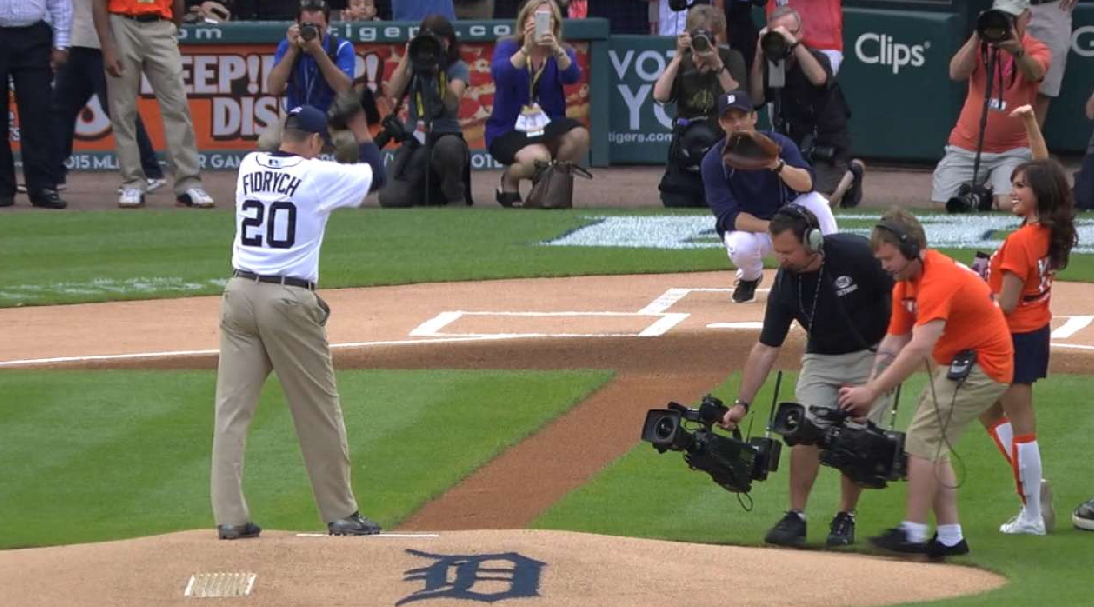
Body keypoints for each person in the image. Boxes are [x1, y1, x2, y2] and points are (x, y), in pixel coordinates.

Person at [211, 104, 386, 540]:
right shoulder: (317, 174)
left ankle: (230, 517)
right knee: (318, 410)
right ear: (313, 142)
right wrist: (363, 130)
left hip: (238, 295)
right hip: (288, 301)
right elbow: (378, 175)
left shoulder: (249, 165)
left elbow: (272, 150)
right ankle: (342, 513)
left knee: (231, 412)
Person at [838, 208, 1014, 559]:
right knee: (931, 443)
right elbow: (894, 340)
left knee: (921, 439)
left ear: (912, 247)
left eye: (889, 258)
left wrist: (871, 392)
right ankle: (950, 536)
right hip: (962, 365)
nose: (884, 266)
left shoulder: (939, 279)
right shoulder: (905, 284)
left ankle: (913, 531)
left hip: (985, 367)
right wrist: (869, 387)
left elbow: (920, 347)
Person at [720, 204, 893, 548]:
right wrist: (742, 404)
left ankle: (846, 516)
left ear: (813, 240)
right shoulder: (787, 283)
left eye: (788, 251)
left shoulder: (857, 254)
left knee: (858, 438)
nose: (781, 259)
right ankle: (795, 515)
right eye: (777, 252)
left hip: (873, 354)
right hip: (822, 358)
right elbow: (766, 347)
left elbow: (900, 294)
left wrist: (892, 356)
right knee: (804, 430)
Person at [975, 105, 1076, 536]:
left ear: (1039, 194)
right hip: (1033, 332)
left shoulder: (1020, 243)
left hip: (1011, 335)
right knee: (987, 408)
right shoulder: (1051, 227)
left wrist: (975, 298)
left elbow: (1007, 305)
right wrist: (1031, 123)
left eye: (1021, 186)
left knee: (1020, 423)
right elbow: (1047, 170)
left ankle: (1032, 511)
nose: (1013, 191)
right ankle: (1032, 492)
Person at [700, 89, 837, 304]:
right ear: (721, 123)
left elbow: (808, 183)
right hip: (757, 229)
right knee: (741, 246)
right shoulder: (713, 162)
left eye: (742, 117)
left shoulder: (778, 144)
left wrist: (776, 164)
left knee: (817, 202)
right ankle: (750, 277)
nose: (736, 124)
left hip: (791, 217)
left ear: (753, 117)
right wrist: (773, 228)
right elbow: (728, 216)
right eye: (729, 119)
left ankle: (833, 268)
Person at [93, 0, 215, 209]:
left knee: (177, 106)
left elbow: (179, 3)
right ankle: (133, 182)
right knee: (123, 109)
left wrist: (172, 29)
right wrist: (107, 45)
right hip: (122, 23)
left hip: (160, 22)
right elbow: (98, 4)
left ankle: (188, 182)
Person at [931, 0, 1050, 211]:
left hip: (1013, 149)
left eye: (1012, 18)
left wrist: (1017, 51)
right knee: (945, 204)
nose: (1006, 24)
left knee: (1009, 204)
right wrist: (977, 35)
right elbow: (956, 73)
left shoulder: (1036, 48)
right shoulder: (980, 46)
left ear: (1027, 18)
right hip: (967, 145)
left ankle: (985, 197)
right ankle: (983, 197)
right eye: (1002, 17)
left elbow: (1035, 72)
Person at [49, 0, 166, 195]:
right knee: (60, 109)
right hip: (76, 40)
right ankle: (52, 174)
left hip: (105, 44)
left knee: (119, 109)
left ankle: (149, 170)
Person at [750, 6, 862, 208]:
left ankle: (851, 174)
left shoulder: (815, 58)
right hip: (793, 145)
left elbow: (819, 78)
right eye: (778, 34)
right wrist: (759, 54)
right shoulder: (774, 67)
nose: (784, 39)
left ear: (800, 33)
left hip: (826, 146)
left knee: (816, 206)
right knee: (772, 200)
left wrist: (794, 44)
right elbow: (756, 100)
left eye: (790, 32)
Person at [487, 0, 590, 207]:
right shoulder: (508, 46)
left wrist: (556, 50)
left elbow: (572, 76)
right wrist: (526, 49)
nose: (541, 21)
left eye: (548, 17)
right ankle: (510, 178)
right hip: (509, 128)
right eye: (536, 16)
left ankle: (550, 188)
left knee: (579, 136)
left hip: (547, 124)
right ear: (525, 21)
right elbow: (502, 76)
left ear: (555, 24)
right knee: (538, 159)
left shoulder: (561, 51)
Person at [653, 4, 746, 208]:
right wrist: (678, 56)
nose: (704, 41)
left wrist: (717, 64)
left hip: (722, 145)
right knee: (676, 200)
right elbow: (659, 95)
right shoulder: (683, 62)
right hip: (688, 145)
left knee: (719, 201)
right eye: (699, 35)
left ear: (719, 36)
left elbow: (738, 100)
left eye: (710, 36)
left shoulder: (732, 59)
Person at [378, 14, 473, 207]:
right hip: (415, 140)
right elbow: (393, 92)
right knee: (391, 198)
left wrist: (439, 72)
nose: (430, 47)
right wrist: (408, 55)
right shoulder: (414, 64)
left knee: (449, 148)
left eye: (436, 41)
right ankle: (418, 192)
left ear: (448, 42)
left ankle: (454, 192)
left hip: (446, 136)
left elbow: (452, 102)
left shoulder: (458, 67)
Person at [0, 0, 71, 210]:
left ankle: (43, 187)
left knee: (38, 115)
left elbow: (60, 4)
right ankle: (2, 188)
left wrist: (61, 44)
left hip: (34, 37)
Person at [263, 0, 355, 152]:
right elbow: (273, 88)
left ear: (328, 24)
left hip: (331, 120)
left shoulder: (341, 47)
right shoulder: (287, 46)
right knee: (267, 142)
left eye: (318, 27)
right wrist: (292, 51)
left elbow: (344, 89)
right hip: (296, 121)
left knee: (349, 145)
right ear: (296, 24)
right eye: (306, 26)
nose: (313, 31)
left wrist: (318, 52)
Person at [1028, 0, 1076, 127]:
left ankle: (1030, 146)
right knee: (1001, 82)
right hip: (1011, 6)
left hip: (1053, 8)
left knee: (1043, 90)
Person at [764, 0, 843, 75]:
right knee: (777, 83)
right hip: (779, 38)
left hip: (822, 44)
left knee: (814, 84)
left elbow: (820, 80)